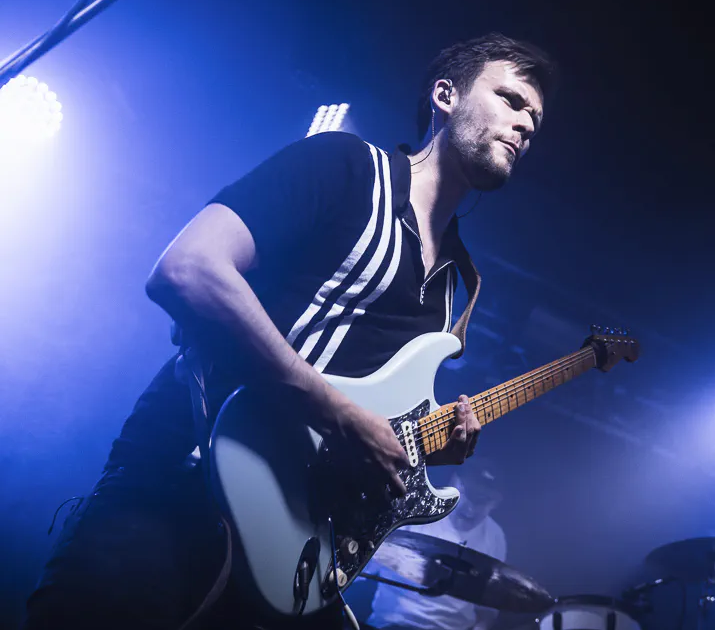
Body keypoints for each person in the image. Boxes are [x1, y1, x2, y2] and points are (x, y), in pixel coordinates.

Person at [23, 32, 555, 630]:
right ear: (445, 95)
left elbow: (374, 415)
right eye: (511, 100)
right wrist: (340, 413)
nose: (525, 123)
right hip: (185, 486)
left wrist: (425, 447)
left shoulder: (457, 284)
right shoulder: (346, 168)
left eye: (535, 119)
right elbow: (187, 269)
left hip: (296, 550)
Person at [364, 460, 507, 630]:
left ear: (497, 502)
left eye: (483, 501)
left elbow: (488, 609)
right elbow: (366, 566)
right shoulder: (416, 514)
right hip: (392, 624)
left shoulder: (495, 536)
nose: (471, 509)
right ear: (455, 482)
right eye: (469, 494)